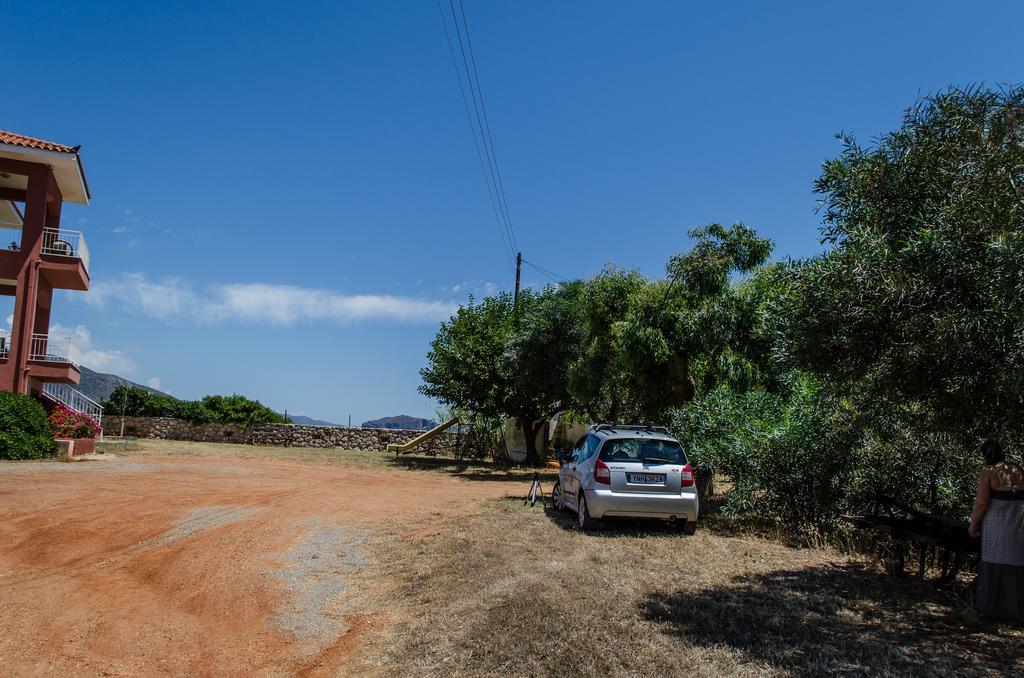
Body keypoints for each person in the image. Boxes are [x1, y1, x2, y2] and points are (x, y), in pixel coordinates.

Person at [969, 439, 1024, 621]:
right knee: (1016, 564)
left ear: (985, 456)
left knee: (995, 561)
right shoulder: (1017, 469)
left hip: (997, 526)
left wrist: (973, 524)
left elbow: (982, 502)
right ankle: (1016, 611)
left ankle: (992, 609)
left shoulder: (989, 473)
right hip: (1018, 524)